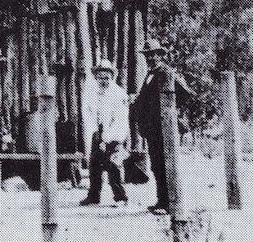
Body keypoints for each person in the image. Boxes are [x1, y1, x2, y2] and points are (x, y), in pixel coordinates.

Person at [131, 39, 193, 214]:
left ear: (160, 55)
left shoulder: (166, 72)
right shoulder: (150, 74)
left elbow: (185, 93)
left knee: (166, 164)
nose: (150, 58)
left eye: (153, 55)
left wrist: (169, 109)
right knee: (156, 165)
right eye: (147, 55)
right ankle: (161, 200)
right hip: (151, 129)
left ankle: (169, 202)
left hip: (163, 128)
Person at [80, 59, 129, 206]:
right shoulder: (91, 93)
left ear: (112, 77)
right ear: (96, 77)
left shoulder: (118, 94)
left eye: (107, 78)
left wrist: (107, 139)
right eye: (100, 77)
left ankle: (120, 197)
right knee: (94, 165)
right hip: (97, 133)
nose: (103, 81)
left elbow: (120, 119)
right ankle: (94, 196)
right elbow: (87, 113)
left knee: (113, 165)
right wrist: (94, 132)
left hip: (114, 134)